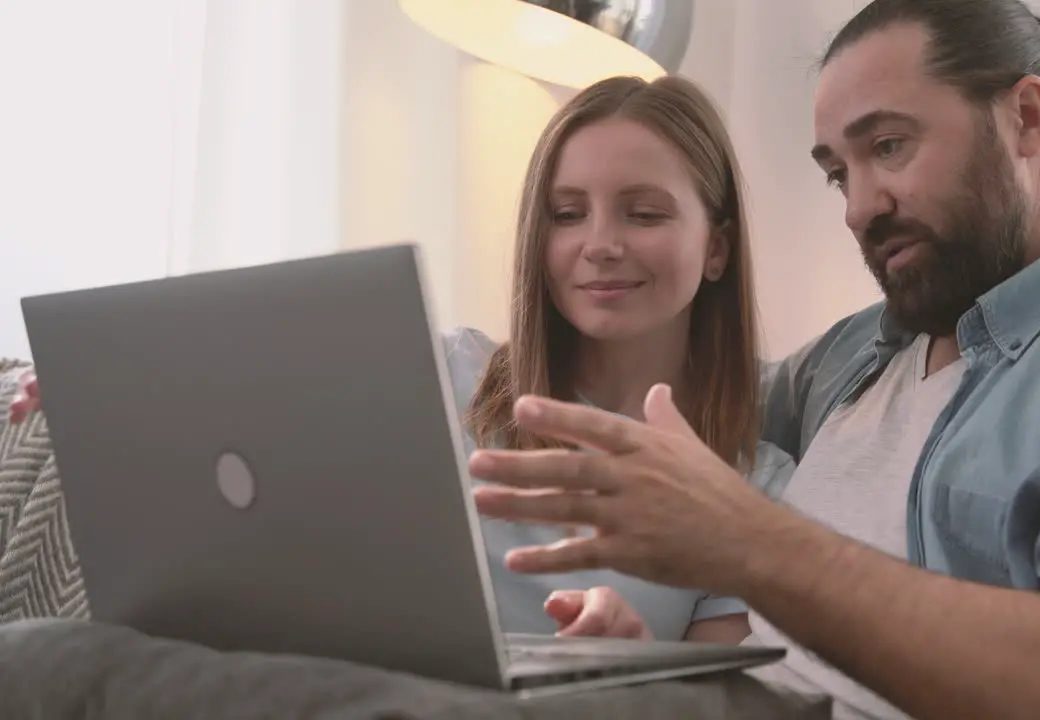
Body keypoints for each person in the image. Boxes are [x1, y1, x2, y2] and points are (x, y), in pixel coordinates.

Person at [462, 1, 1040, 719]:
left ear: (1028, 119)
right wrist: (649, 676)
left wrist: (751, 543)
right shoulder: (853, 359)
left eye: (888, 147)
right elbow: (682, 404)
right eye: (836, 175)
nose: (858, 207)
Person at [4, 75, 794, 644]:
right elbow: (249, 425)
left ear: (717, 247)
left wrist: (633, 662)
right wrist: (117, 391)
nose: (600, 244)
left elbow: (723, 696)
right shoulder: (441, 373)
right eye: (566, 214)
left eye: (645, 212)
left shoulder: (756, 484)